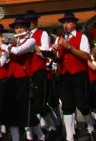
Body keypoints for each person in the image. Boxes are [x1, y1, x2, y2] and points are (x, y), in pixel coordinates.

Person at [54, 12, 94, 141]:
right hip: (65, 75)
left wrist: (69, 47)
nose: (65, 25)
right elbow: (58, 58)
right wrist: (53, 51)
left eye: (68, 22)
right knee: (67, 105)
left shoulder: (81, 37)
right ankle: (69, 136)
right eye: (64, 23)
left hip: (79, 74)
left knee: (82, 104)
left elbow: (85, 55)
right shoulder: (60, 38)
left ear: (75, 24)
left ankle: (90, 127)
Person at [0, 17, 37, 141]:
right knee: (11, 111)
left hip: (23, 78)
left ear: (26, 29)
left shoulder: (31, 41)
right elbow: (1, 62)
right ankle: (15, 138)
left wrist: (3, 45)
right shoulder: (12, 44)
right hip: (11, 79)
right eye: (16, 28)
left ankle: (38, 135)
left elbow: (18, 52)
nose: (18, 30)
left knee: (26, 110)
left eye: (21, 27)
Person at [23, 11, 57, 141]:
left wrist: (32, 45)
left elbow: (45, 52)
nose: (28, 25)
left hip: (39, 71)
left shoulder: (42, 34)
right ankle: (32, 131)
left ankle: (53, 126)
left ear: (35, 22)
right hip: (27, 71)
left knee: (39, 104)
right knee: (30, 103)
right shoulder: (24, 35)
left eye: (30, 23)